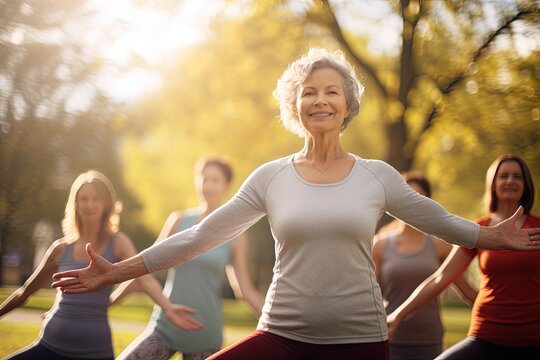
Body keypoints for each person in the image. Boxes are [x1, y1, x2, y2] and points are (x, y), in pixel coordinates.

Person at [51, 49, 540, 360]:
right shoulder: (272, 177)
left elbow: (436, 218)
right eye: (309, 93)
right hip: (281, 337)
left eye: (331, 92)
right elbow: (198, 236)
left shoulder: (377, 176)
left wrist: (488, 236)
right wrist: (116, 271)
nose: (320, 100)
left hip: (359, 341)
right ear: (295, 107)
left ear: (347, 105)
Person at [0, 170, 190, 360]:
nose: (90, 204)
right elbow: (24, 291)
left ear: (107, 204)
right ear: (75, 204)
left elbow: (144, 278)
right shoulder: (60, 248)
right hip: (49, 347)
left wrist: (168, 307)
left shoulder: (118, 243)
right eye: (84, 199)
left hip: (94, 351)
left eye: (96, 198)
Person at [387, 154, 540, 359]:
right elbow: (441, 278)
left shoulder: (537, 228)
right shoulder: (479, 230)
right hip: (485, 335)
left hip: (533, 338)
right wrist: (398, 315)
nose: (510, 181)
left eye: (517, 176)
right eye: (503, 176)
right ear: (493, 185)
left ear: (526, 185)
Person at [112, 156, 264, 360]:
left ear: (227, 185)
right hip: (165, 325)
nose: (207, 185)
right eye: (203, 178)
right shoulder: (179, 220)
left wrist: (278, 324)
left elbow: (244, 290)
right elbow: (145, 267)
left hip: (205, 334)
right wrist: (111, 300)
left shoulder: (235, 234)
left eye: (214, 180)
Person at [372, 172, 477, 360]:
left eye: (418, 198)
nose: (411, 205)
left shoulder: (441, 245)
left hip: (429, 341)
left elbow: (466, 291)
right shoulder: (380, 245)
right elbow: (368, 294)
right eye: (406, 197)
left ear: (428, 203)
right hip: (389, 338)